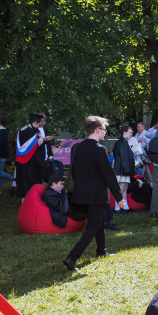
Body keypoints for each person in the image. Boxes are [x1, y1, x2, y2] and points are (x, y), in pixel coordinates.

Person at [63, 116, 124, 271]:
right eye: (104, 129)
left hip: (81, 193)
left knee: (101, 221)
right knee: (93, 226)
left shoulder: (77, 147)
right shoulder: (99, 149)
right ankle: (72, 257)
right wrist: (119, 197)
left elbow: (75, 172)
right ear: (97, 130)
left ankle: (101, 251)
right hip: (96, 194)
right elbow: (108, 175)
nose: (105, 132)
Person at [15, 113, 45, 199]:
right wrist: (40, 139)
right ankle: (32, 198)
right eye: (38, 124)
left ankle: (23, 198)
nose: (39, 127)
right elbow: (34, 148)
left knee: (23, 180)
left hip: (21, 160)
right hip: (31, 161)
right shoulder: (31, 132)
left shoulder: (20, 131)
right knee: (32, 180)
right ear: (35, 122)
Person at [112, 126, 137, 213]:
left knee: (124, 188)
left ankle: (125, 207)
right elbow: (124, 157)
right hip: (122, 169)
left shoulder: (123, 142)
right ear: (124, 132)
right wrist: (127, 169)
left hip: (123, 168)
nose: (131, 134)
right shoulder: (122, 142)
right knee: (121, 188)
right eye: (130, 132)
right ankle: (117, 208)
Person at [0, 116, 12, 194]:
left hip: (0, 156)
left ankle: (16, 181)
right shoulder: (3, 131)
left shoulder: (0, 132)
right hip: (2, 155)